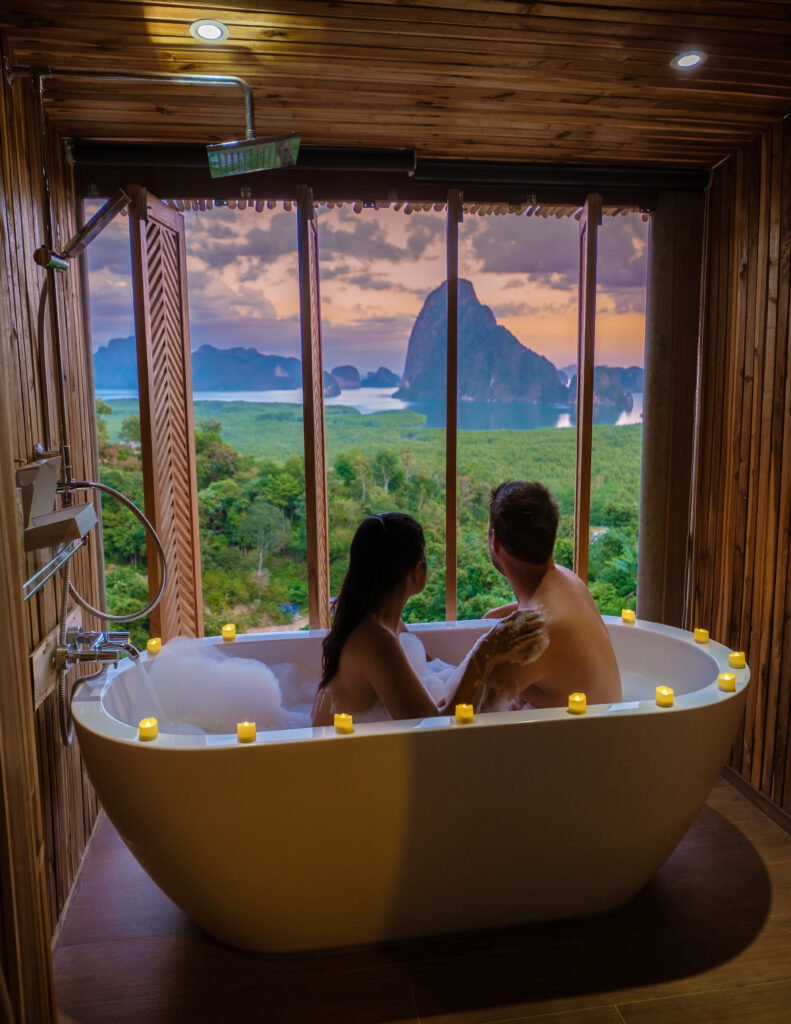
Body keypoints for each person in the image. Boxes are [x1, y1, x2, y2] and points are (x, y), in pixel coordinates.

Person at [440, 480, 622, 713]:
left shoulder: (538, 634)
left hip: (578, 744)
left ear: (494, 540)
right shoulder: (569, 579)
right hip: (602, 729)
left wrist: (485, 648)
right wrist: (490, 621)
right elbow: (533, 613)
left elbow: (451, 719)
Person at [312, 513, 439, 726]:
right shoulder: (375, 640)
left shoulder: (382, 621)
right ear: (418, 572)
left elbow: (431, 666)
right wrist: (480, 663)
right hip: (335, 755)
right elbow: (431, 730)